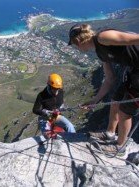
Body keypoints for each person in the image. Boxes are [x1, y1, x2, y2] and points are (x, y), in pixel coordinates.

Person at [68, 23, 139, 154]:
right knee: (115, 101)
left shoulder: (103, 37)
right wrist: (95, 100)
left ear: (78, 41)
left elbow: (133, 39)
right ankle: (110, 133)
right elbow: (110, 79)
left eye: (74, 44)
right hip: (134, 71)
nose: (76, 48)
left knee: (125, 111)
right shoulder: (101, 53)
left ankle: (120, 147)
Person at [33, 73, 76, 138]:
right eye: (54, 88)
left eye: (57, 89)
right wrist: (44, 112)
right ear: (49, 86)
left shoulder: (60, 91)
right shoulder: (41, 95)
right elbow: (35, 110)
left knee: (70, 126)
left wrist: (62, 107)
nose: (56, 91)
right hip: (45, 118)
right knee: (48, 136)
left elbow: (60, 103)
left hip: (55, 116)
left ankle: (73, 139)